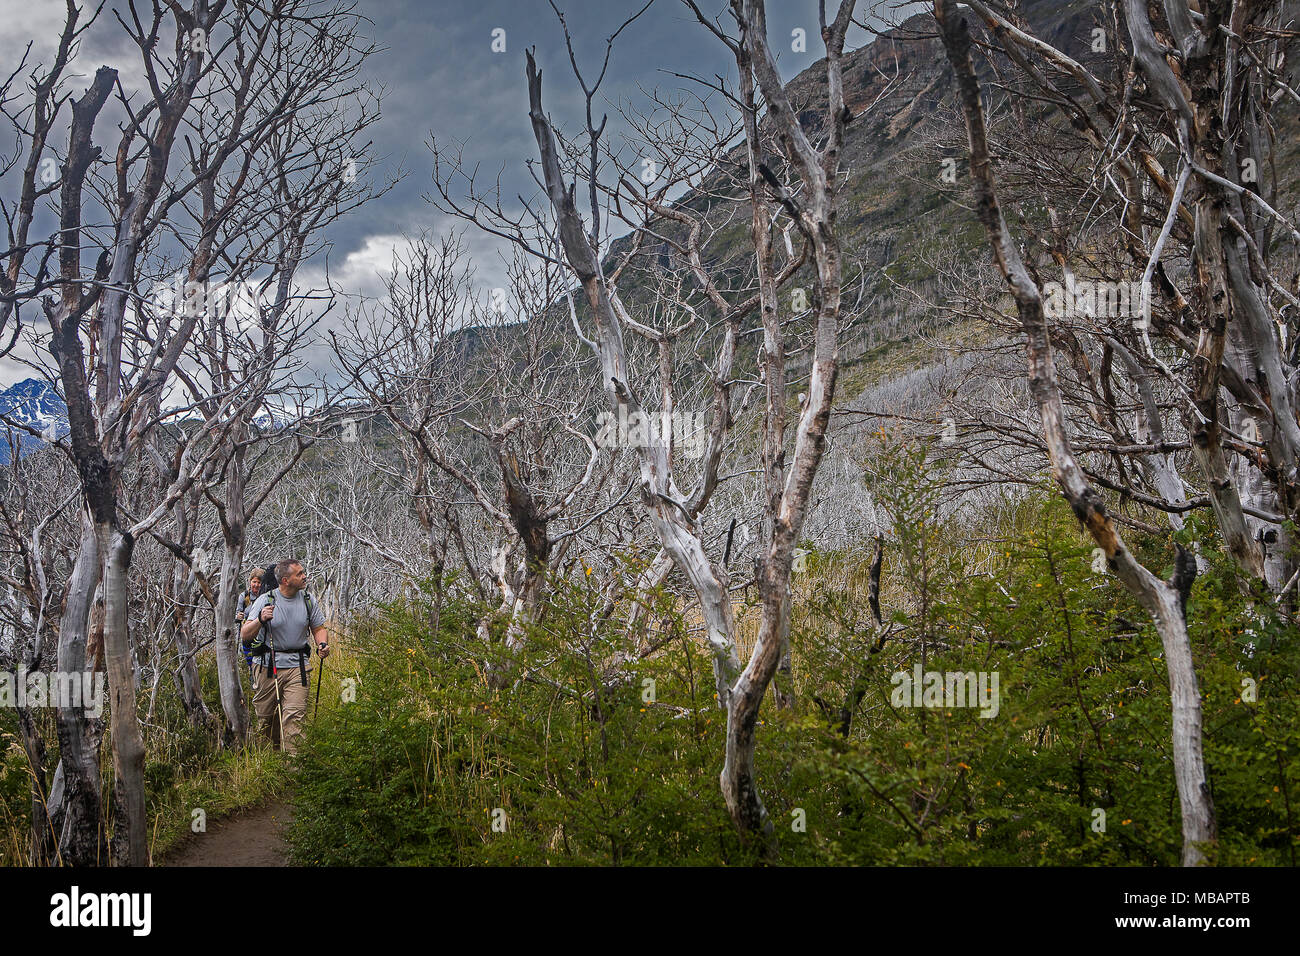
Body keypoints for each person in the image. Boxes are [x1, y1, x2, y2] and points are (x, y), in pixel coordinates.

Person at [239, 558, 329, 753]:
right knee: (266, 720)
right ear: (285, 580)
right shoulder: (265, 601)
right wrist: (261, 620)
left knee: (295, 718)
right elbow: (245, 635)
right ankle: (269, 767)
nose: (305, 576)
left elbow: (319, 627)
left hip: (298, 667)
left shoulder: (308, 600)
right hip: (266, 668)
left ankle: (295, 770)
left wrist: (322, 643)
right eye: (299, 574)